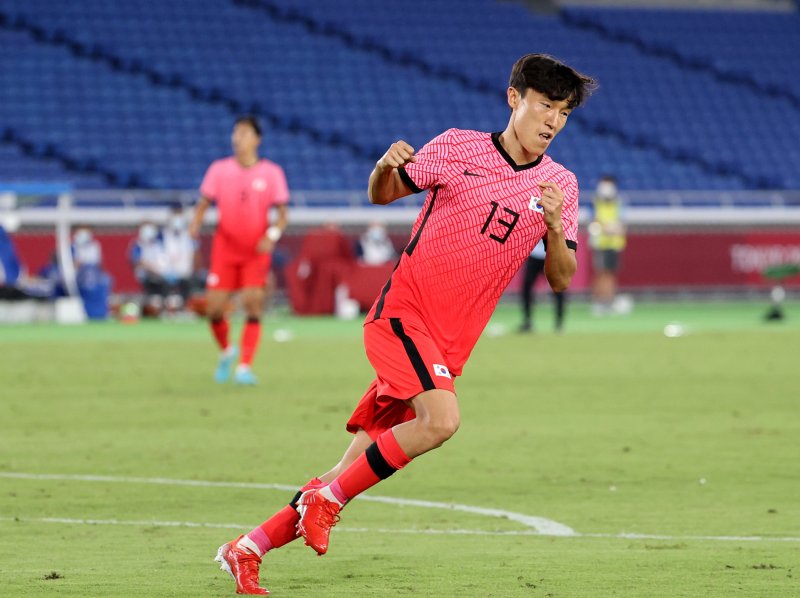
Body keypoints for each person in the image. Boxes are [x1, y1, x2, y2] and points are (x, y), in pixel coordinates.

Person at [214, 54, 595, 595]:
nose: (553, 120)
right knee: (440, 421)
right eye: (544, 105)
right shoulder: (457, 146)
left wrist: (556, 227)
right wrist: (382, 166)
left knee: (349, 468)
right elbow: (384, 192)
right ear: (514, 99)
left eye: (563, 111)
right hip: (402, 317)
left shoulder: (562, 185)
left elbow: (561, 278)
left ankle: (247, 547)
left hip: (446, 345)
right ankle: (326, 503)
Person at [189, 115, 289, 385]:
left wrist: (272, 234)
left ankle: (244, 366)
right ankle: (226, 351)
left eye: (243, 133)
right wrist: (195, 223)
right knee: (214, 309)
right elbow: (204, 202)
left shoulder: (271, 173)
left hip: (256, 250)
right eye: (235, 133)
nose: (237, 138)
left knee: (252, 302)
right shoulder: (219, 169)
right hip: (225, 248)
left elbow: (282, 214)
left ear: (257, 139)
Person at [588, 175, 626, 315]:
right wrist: (604, 227)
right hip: (600, 243)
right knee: (601, 273)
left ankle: (608, 301)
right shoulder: (596, 202)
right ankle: (600, 301)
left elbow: (622, 221)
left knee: (610, 274)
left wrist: (616, 228)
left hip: (614, 243)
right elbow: (593, 220)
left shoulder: (619, 202)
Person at [518, 239, 566, 333]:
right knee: (526, 288)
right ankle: (527, 321)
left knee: (558, 288)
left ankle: (559, 323)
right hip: (534, 255)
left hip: (551, 255)